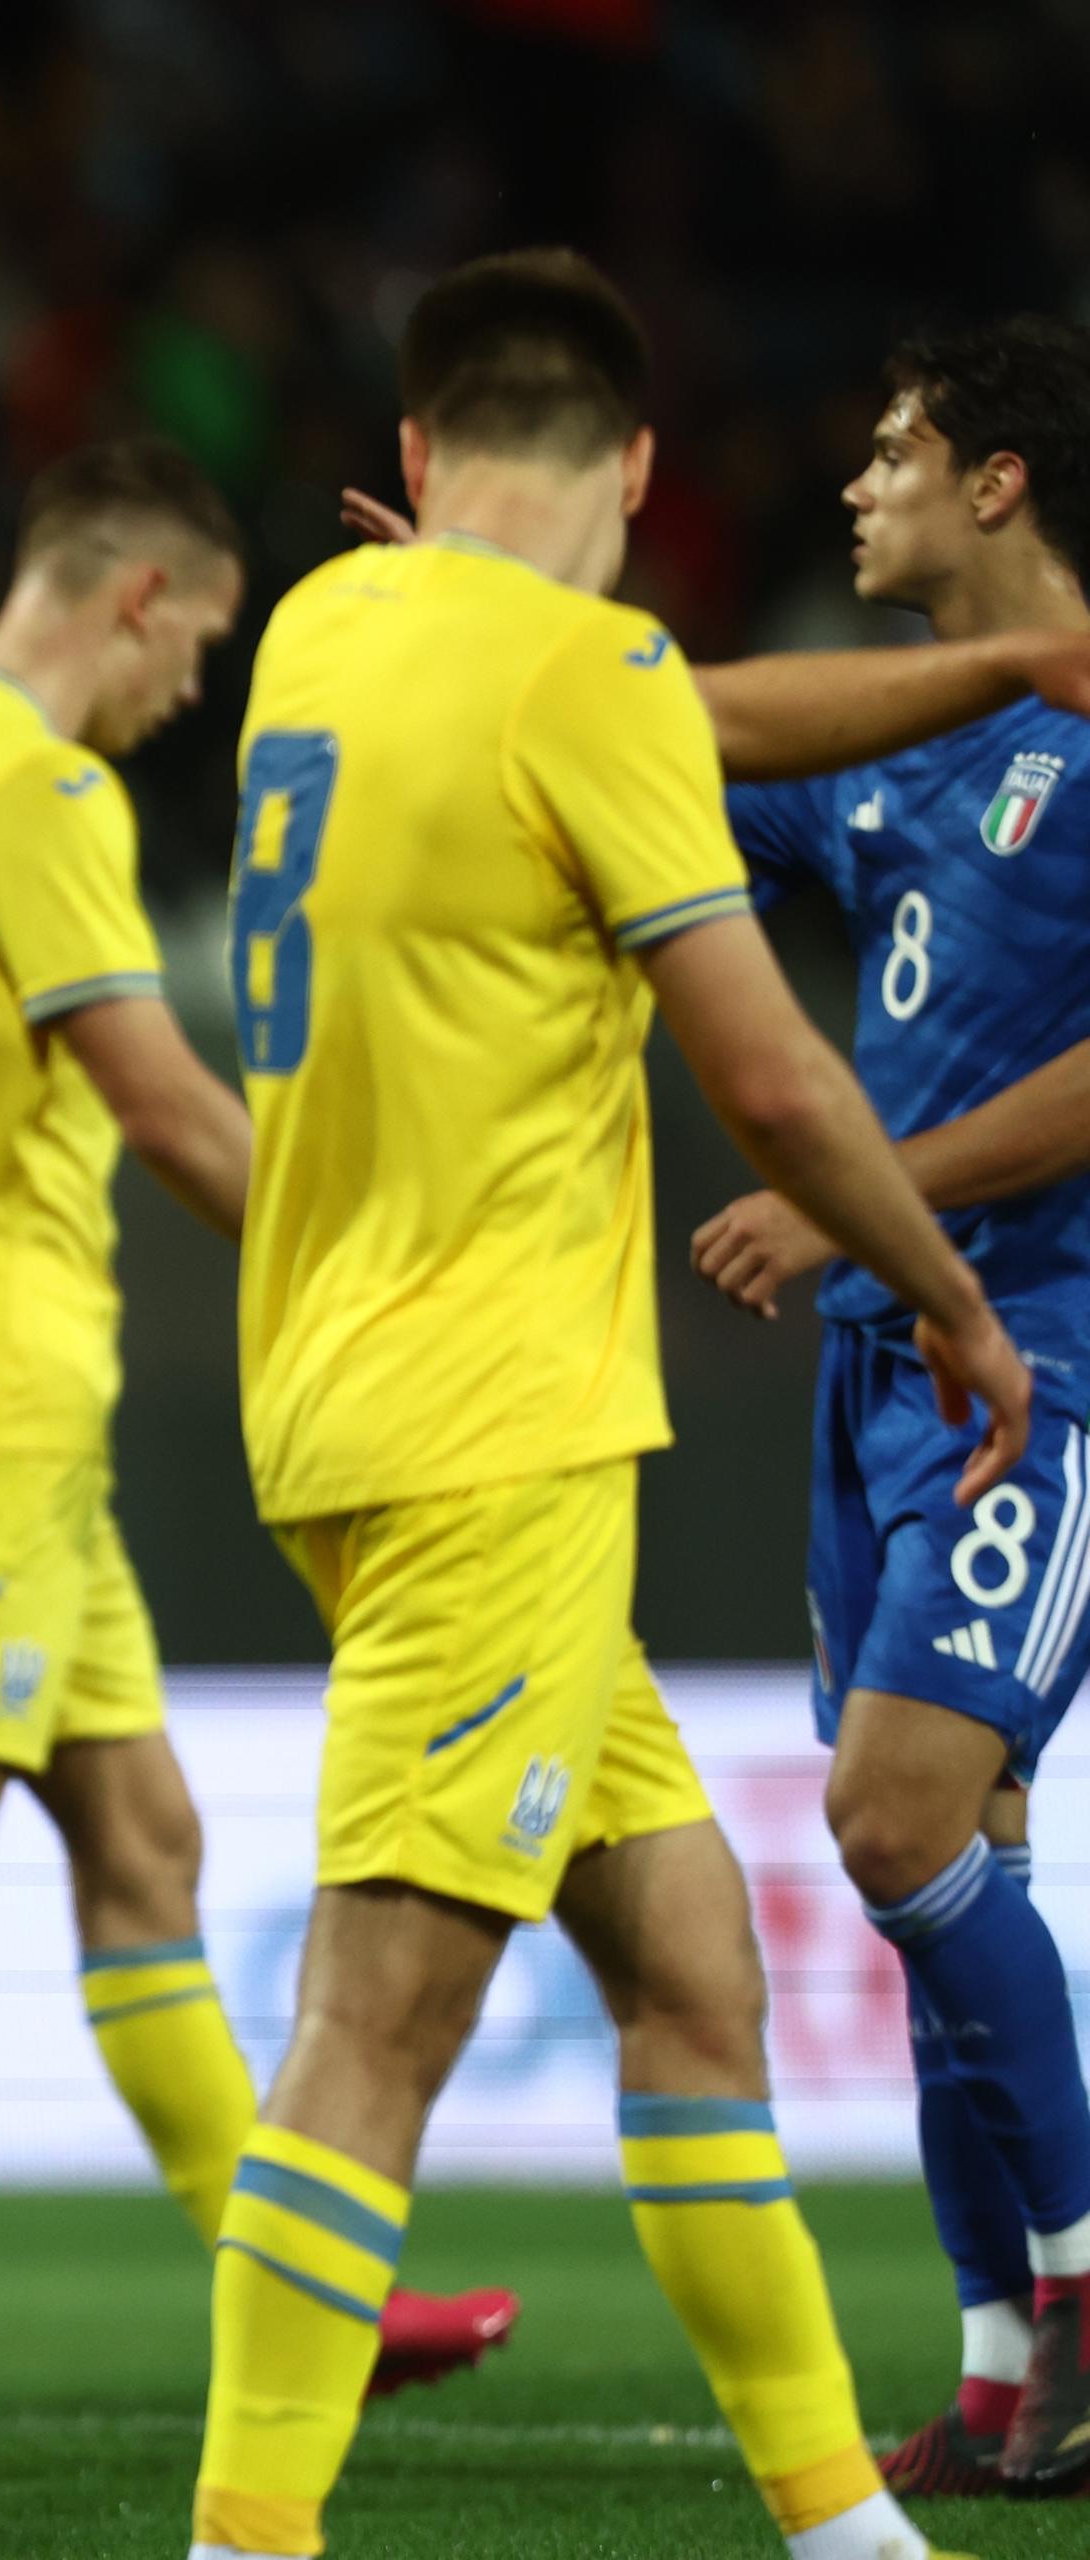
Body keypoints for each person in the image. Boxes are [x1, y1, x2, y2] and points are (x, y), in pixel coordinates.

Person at [188, 248, 1032, 2560]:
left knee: (686, 1963)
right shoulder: (592, 680)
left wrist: (999, 662)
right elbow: (770, 1073)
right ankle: (237, 2540)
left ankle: (846, 2524)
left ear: (424, 458)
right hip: (496, 1429)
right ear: (647, 472)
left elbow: (683, 715)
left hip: (337, 1397)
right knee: (384, 2014)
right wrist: (953, 1297)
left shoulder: (326, 629)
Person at [0, 433, 515, 2392]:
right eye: (200, 636)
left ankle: (305, 2290)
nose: (198, 683)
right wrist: (389, 1259)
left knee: (147, 1839)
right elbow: (174, 1107)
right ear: (132, 594)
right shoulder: (39, 786)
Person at [688, 316, 1090, 2499]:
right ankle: (1014, 2365)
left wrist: (860, 1202)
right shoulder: (898, 750)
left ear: (1003, 480)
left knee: (896, 1815)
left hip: (1057, 1359)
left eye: (896, 449)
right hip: (881, 1386)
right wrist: (493, 629)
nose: (856, 488)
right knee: (948, 1862)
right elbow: (654, 761)